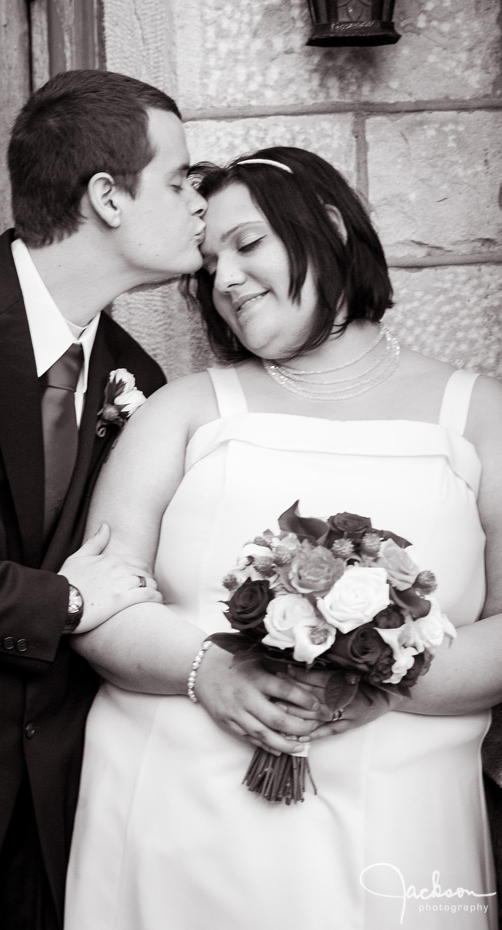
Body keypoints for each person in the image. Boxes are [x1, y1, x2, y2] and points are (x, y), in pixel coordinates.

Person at [64, 146, 502, 930]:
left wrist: (378, 680)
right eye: (207, 264)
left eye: (246, 243)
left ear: (328, 226)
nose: (223, 279)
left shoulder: (479, 416)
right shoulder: (185, 409)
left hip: (397, 814)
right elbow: (97, 593)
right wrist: (209, 673)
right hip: (177, 808)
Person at [0, 68, 207, 930]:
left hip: (68, 803)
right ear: (107, 195)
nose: (199, 203)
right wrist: (58, 601)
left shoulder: (140, 378)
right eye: (179, 181)